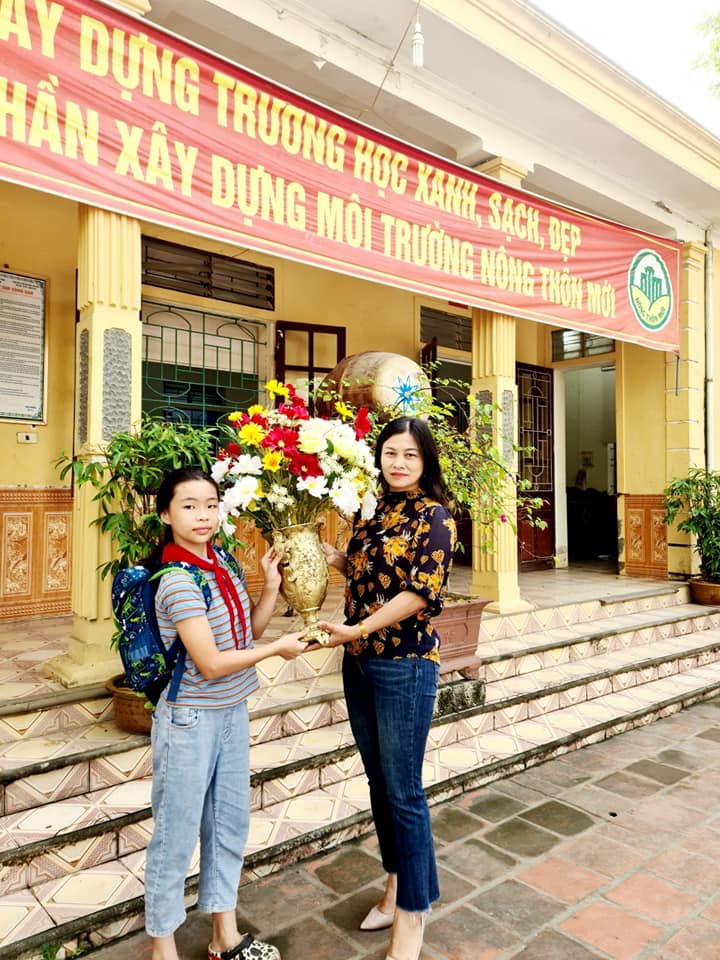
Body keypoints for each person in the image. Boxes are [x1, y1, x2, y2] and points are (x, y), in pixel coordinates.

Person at [143, 466, 309, 960]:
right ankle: (162, 948)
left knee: (228, 824)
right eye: (189, 505)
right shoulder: (176, 579)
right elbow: (211, 664)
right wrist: (277, 650)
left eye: (211, 505)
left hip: (232, 711)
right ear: (165, 514)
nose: (203, 515)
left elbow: (247, 636)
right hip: (189, 719)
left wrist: (270, 588)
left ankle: (225, 937)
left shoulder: (224, 564)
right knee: (175, 835)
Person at [319, 417, 456, 960]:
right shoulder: (372, 510)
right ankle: (398, 884)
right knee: (381, 784)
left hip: (405, 663)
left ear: (426, 461)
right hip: (359, 663)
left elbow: (419, 593)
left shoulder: (435, 518)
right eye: (391, 452)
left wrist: (358, 630)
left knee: (404, 792)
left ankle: (413, 915)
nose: (398, 463)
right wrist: (332, 559)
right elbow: (367, 574)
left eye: (410, 455)